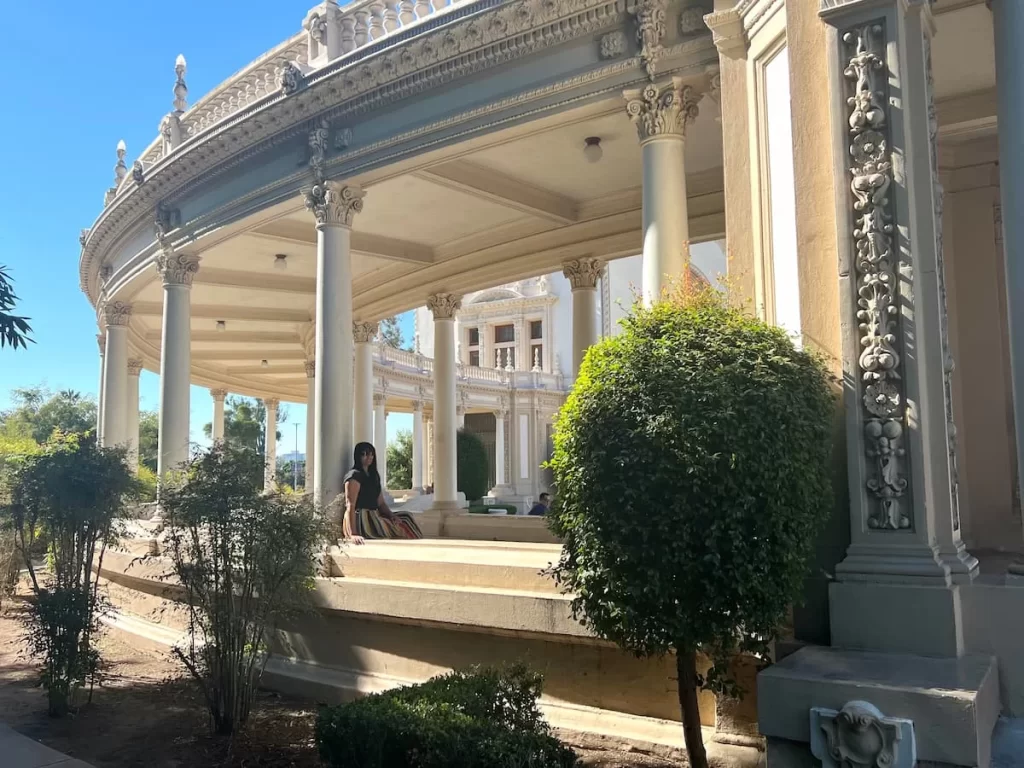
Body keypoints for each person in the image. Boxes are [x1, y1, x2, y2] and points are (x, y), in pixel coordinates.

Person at [343, 442, 423, 544]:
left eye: (371, 454)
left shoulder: (373, 476)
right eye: (364, 454)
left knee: (406, 517)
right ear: (358, 456)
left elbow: (381, 502)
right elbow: (350, 504)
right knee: (395, 529)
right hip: (361, 517)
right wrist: (353, 533)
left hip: (374, 514)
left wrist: (392, 516)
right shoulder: (354, 476)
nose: (369, 457)